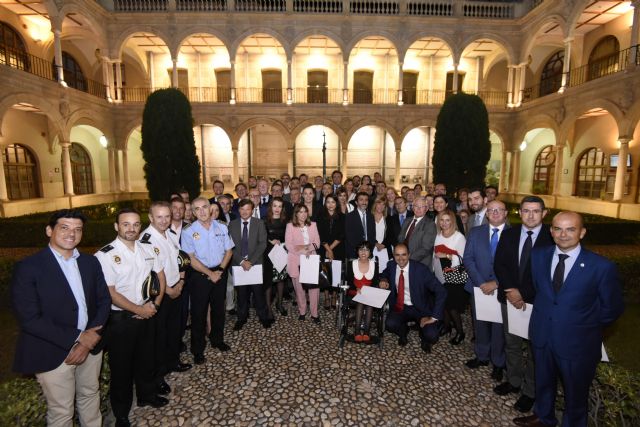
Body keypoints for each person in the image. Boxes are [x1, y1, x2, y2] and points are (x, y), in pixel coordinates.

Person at [513, 212, 624, 427]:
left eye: (570, 229)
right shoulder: (539, 256)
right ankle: (543, 417)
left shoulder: (601, 267)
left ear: (582, 232)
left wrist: (581, 324)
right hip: (542, 335)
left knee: (576, 396)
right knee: (543, 382)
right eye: (558, 229)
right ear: (551, 231)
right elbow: (541, 292)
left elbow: (612, 309)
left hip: (578, 343)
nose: (563, 234)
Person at [12, 209, 111, 427]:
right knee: (62, 412)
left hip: (91, 346)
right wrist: (78, 338)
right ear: (49, 230)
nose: (71, 234)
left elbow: (104, 301)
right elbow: (30, 319)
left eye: (78, 229)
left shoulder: (90, 262)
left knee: (90, 396)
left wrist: (90, 338)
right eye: (64, 227)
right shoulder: (29, 268)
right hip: (52, 351)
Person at [95, 208, 169, 427]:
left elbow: (160, 276)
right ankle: (121, 413)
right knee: (121, 368)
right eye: (126, 224)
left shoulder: (148, 248)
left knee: (148, 358)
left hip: (148, 312)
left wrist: (155, 304)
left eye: (136, 224)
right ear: (117, 227)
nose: (131, 229)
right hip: (122, 320)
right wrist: (139, 310)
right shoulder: (105, 255)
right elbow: (111, 293)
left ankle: (147, 395)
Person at [494, 196, 554, 414]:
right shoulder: (509, 234)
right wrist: (511, 290)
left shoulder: (552, 237)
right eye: (526, 211)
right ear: (519, 212)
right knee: (511, 342)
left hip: (537, 303)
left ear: (544, 213)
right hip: (510, 297)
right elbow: (499, 264)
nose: (530, 215)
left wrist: (524, 294)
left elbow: (550, 275)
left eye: (535, 211)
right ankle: (514, 380)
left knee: (535, 348)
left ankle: (529, 392)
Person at [141, 202, 192, 401]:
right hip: (161, 294)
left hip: (175, 289)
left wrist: (180, 281)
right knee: (158, 337)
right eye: (159, 217)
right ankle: (158, 377)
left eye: (166, 216)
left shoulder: (170, 235)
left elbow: (180, 259)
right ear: (151, 218)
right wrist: (170, 290)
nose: (164, 220)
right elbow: (152, 272)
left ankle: (173, 362)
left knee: (174, 330)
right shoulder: (147, 240)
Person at [181, 197, 234, 365]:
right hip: (200, 276)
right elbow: (190, 258)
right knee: (199, 313)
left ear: (210, 208)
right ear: (194, 212)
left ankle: (217, 340)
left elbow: (229, 251)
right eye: (197, 209)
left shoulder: (222, 226)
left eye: (204, 207)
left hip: (219, 271)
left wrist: (219, 270)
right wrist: (209, 274)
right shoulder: (188, 231)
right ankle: (198, 350)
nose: (202, 211)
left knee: (219, 309)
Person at [463, 200, 508, 381]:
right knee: (479, 321)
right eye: (491, 210)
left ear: (505, 213)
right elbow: (468, 258)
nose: (495, 213)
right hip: (478, 285)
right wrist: (481, 282)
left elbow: (516, 265)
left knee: (499, 326)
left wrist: (496, 283)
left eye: (499, 210)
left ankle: (498, 362)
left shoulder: (513, 235)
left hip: (502, 288)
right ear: (486, 214)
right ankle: (481, 356)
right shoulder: (475, 232)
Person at [379, 243, 446, 353]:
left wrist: (433, 317)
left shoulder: (421, 270)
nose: (400, 258)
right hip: (401, 306)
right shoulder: (391, 265)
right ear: (393, 256)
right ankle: (403, 330)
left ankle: (423, 335)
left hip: (420, 308)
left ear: (409, 255)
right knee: (390, 325)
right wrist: (384, 280)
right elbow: (385, 273)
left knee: (432, 336)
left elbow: (441, 291)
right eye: (397, 255)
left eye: (404, 255)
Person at [228, 199, 271, 330]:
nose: (245, 212)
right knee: (241, 294)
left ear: (252, 210)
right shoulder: (232, 224)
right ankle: (242, 317)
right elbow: (229, 246)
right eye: (242, 209)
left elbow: (262, 243)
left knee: (258, 293)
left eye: (248, 209)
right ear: (238, 210)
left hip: (255, 263)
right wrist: (242, 261)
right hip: (238, 264)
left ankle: (263, 317)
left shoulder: (259, 223)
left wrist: (250, 261)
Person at [432, 209, 467, 345]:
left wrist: (446, 255)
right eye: (442, 220)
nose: (444, 223)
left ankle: (460, 332)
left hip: (454, 276)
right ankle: (447, 327)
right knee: (444, 304)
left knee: (452, 306)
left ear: (452, 221)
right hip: (440, 274)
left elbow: (463, 258)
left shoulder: (459, 237)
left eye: (447, 220)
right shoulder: (438, 235)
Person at [285, 204, 321, 323]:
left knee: (313, 289)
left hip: (311, 260)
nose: (303, 214)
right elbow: (289, 245)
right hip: (296, 261)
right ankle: (302, 311)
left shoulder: (313, 225)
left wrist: (307, 249)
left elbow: (317, 243)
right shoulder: (290, 226)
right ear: (296, 214)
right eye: (300, 212)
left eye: (305, 211)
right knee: (299, 289)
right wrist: (302, 250)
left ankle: (315, 313)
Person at [316, 194, 345, 310]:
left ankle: (334, 296)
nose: (330, 204)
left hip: (338, 248)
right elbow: (320, 235)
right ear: (325, 203)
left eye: (333, 202)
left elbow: (342, 235)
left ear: (336, 203)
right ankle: (327, 297)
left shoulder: (342, 217)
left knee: (336, 274)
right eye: (328, 202)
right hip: (324, 249)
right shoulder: (320, 216)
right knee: (326, 273)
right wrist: (328, 250)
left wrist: (331, 250)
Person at [347, 241, 379, 342]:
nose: (363, 252)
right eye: (361, 249)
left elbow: (375, 282)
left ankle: (366, 332)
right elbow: (349, 281)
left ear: (370, 252)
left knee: (368, 302)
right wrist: (356, 289)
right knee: (361, 300)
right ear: (357, 252)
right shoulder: (352, 263)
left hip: (369, 293)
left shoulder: (374, 265)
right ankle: (357, 332)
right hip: (354, 292)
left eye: (366, 249)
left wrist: (369, 291)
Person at [263, 197, 289, 319]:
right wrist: (270, 241)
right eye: (275, 206)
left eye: (279, 206)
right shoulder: (264, 221)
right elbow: (262, 237)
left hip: (282, 252)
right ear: (271, 207)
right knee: (268, 281)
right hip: (268, 253)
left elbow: (289, 237)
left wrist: (282, 242)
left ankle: (279, 303)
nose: (277, 208)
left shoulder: (286, 221)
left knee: (281, 279)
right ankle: (268, 308)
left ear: (282, 208)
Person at [398, 196, 436, 268]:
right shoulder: (407, 221)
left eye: (422, 206)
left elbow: (426, 248)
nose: (418, 209)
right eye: (416, 206)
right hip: (402, 261)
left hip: (420, 264)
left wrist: (407, 259)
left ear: (426, 209)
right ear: (412, 207)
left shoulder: (430, 224)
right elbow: (400, 239)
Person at [344, 191, 376, 259]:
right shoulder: (349, 216)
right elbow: (349, 236)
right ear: (356, 202)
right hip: (354, 252)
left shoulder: (371, 216)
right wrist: (360, 250)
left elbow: (373, 235)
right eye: (361, 200)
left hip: (368, 253)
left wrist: (369, 249)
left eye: (366, 200)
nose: (364, 202)